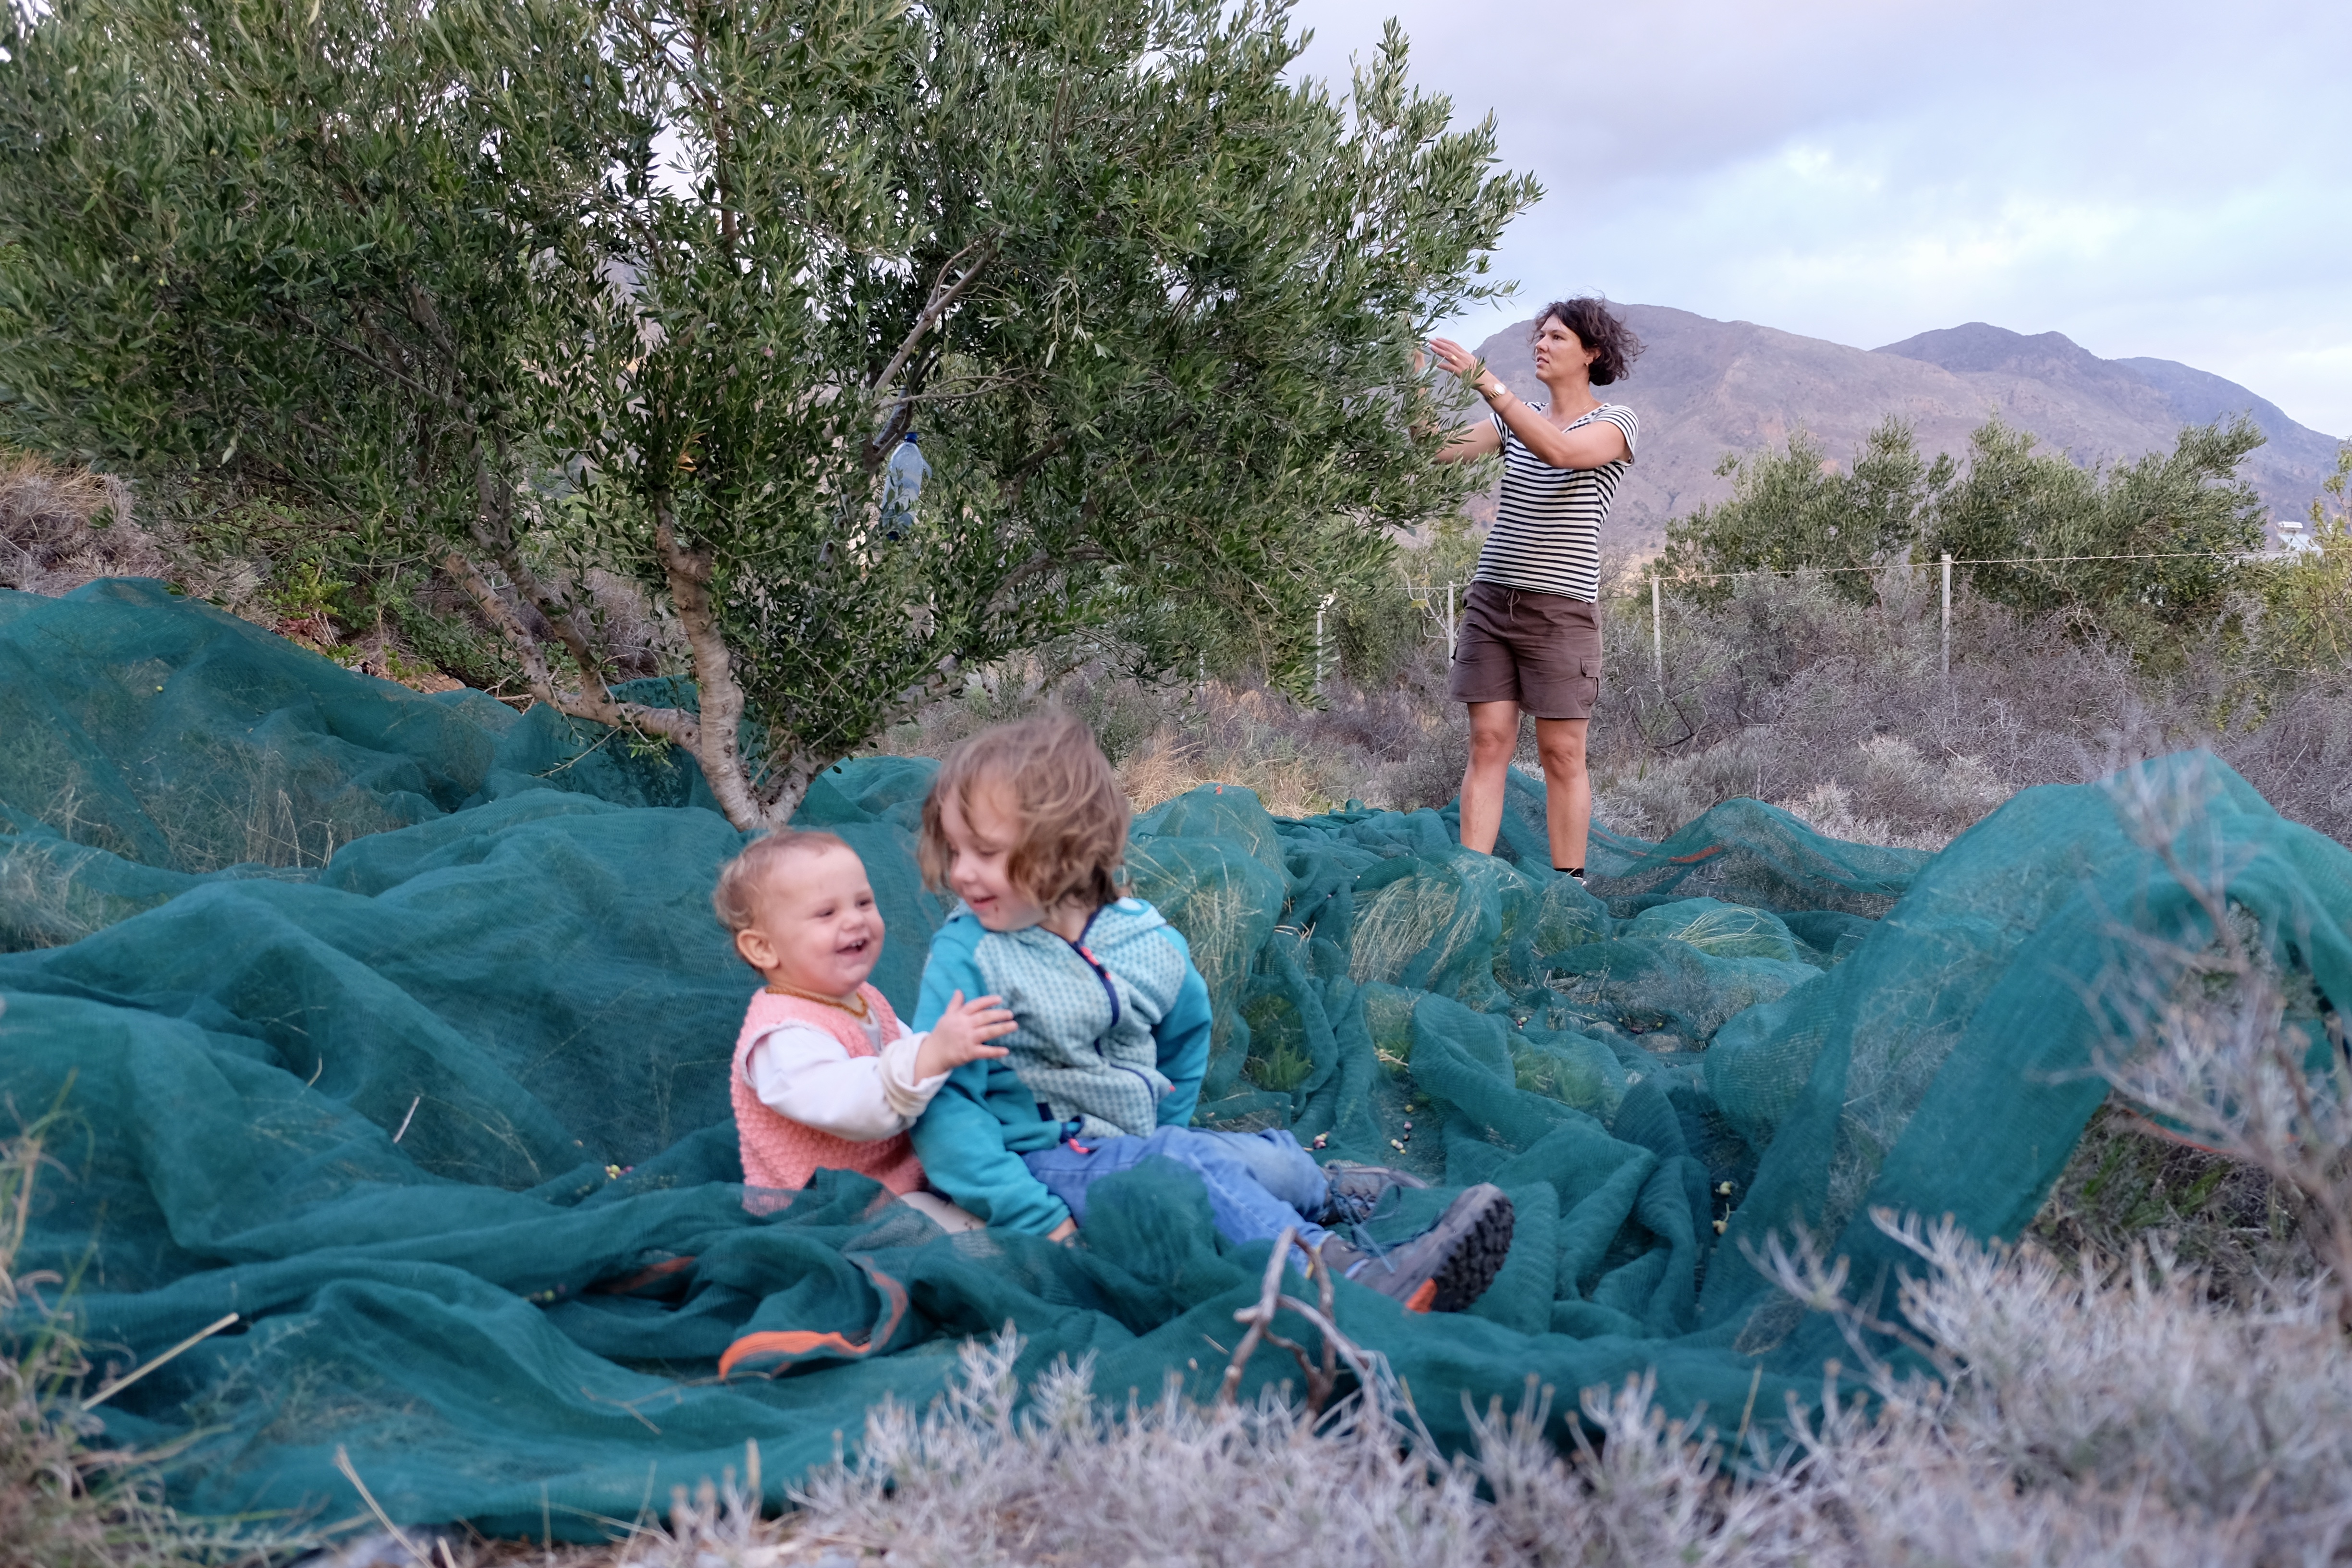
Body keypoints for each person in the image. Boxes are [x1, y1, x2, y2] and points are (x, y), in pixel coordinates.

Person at [906, 710, 1515, 1313]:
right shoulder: (971, 956)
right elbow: (948, 1108)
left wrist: (1165, 1127)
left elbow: (1186, 1027)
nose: (962, 874)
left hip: (1131, 1141)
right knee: (1185, 1168)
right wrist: (1032, 1213)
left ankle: (1323, 1190)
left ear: (1067, 846)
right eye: (954, 850)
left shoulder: (1139, 937)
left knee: (1257, 1160)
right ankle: (1341, 1273)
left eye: (985, 853)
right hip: (1041, 1161)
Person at [1425, 298, 1643, 885]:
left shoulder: (1616, 423)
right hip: (1492, 603)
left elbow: (1561, 452)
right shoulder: (1512, 421)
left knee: (1562, 755)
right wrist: (1414, 387)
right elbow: (1436, 449)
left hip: (1562, 613)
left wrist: (1487, 384)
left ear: (1592, 353)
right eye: (1540, 336)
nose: (1542, 345)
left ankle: (1570, 886)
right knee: (1488, 742)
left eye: (1557, 337)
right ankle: (1473, 880)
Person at [713, 829, 1016, 1228]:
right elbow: (856, 1104)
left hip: (895, 1177)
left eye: (863, 902)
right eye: (826, 913)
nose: (855, 919)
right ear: (764, 948)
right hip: (830, 1207)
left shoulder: (862, 998)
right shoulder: (780, 1037)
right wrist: (932, 1055)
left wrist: (952, 1050)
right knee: (957, 1229)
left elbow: (905, 1052)